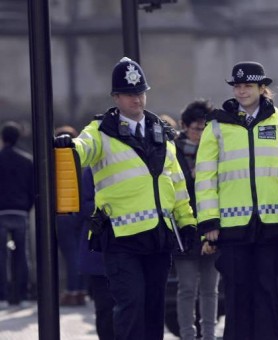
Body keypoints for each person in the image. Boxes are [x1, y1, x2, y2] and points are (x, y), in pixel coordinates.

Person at [53, 57, 197, 340]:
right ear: (116, 97)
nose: (137, 99)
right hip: (121, 238)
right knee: (130, 306)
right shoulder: (101, 131)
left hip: (158, 236)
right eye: (130, 94)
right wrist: (68, 146)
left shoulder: (160, 132)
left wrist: (187, 221)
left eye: (140, 92)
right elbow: (83, 148)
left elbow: (176, 182)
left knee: (153, 310)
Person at [195, 61, 278, 340]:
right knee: (237, 299)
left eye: (248, 86)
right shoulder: (217, 126)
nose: (242, 91)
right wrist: (209, 222)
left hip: (274, 226)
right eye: (237, 86)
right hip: (232, 228)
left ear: (262, 88)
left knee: (270, 297)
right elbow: (205, 177)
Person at [173, 99, 219, 340]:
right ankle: (188, 336)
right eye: (196, 128)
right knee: (187, 287)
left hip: (211, 227)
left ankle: (209, 335)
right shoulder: (173, 150)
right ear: (184, 126)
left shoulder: (215, 151)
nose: (200, 134)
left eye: (204, 128)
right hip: (185, 229)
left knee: (211, 289)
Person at [78, 167, 115, 340]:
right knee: (105, 308)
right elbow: (85, 205)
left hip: (127, 247)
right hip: (100, 250)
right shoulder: (92, 170)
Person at [0, 121, 33, 310]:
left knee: (1, 256)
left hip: (1, 212)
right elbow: (32, 190)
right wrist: (27, 208)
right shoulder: (26, 160)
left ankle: (2, 297)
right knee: (22, 255)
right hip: (20, 212)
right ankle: (22, 295)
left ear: (3, 138)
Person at [54, 125, 88, 307]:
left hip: (65, 212)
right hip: (81, 212)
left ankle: (72, 291)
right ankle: (81, 290)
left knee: (71, 255)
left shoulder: (56, 162)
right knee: (79, 252)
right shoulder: (82, 161)